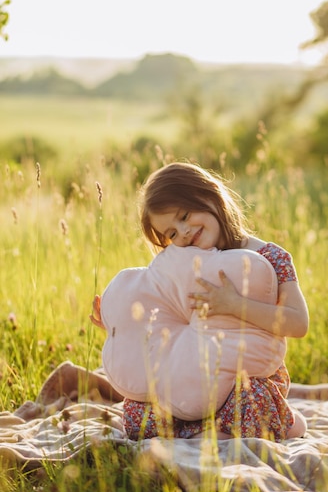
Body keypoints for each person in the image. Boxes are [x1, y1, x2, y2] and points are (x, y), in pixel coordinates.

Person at [91, 161, 309, 441]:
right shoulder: (181, 264)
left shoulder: (271, 258)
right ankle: (205, 431)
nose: (182, 232)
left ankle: (273, 422)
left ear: (210, 194)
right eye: (171, 233)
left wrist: (235, 305)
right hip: (187, 377)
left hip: (243, 377)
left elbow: (298, 323)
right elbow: (164, 317)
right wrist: (117, 324)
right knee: (135, 414)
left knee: (252, 401)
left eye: (184, 215)